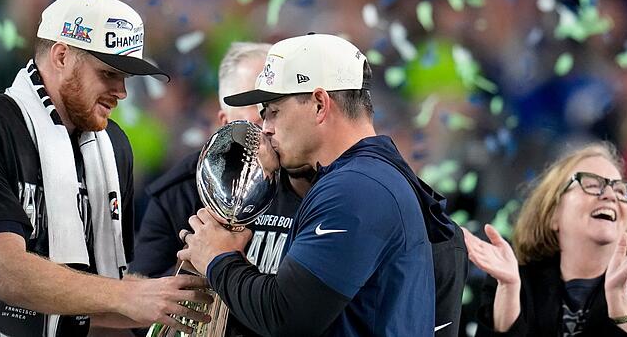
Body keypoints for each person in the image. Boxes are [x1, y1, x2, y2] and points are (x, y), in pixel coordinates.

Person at [0, 0, 212, 337]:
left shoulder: (113, 147)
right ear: (62, 56)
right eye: (108, 73)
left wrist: (180, 296)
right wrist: (129, 294)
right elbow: (5, 272)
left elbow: (92, 302)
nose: (121, 92)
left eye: (127, 78)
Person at [178, 33, 458, 336]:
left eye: (273, 111)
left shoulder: (355, 188)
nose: (266, 129)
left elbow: (285, 318)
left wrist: (218, 259)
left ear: (319, 104)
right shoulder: (370, 177)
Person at [130, 42, 310, 336]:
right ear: (224, 122)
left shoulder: (314, 184)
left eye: (276, 109)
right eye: (257, 116)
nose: (267, 128)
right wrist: (196, 266)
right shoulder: (181, 191)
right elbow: (137, 311)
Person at [464, 142, 627, 336]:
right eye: (591, 185)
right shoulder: (515, 285)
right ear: (553, 214)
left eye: (621, 191)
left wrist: (620, 305)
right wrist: (509, 289)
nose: (611, 195)